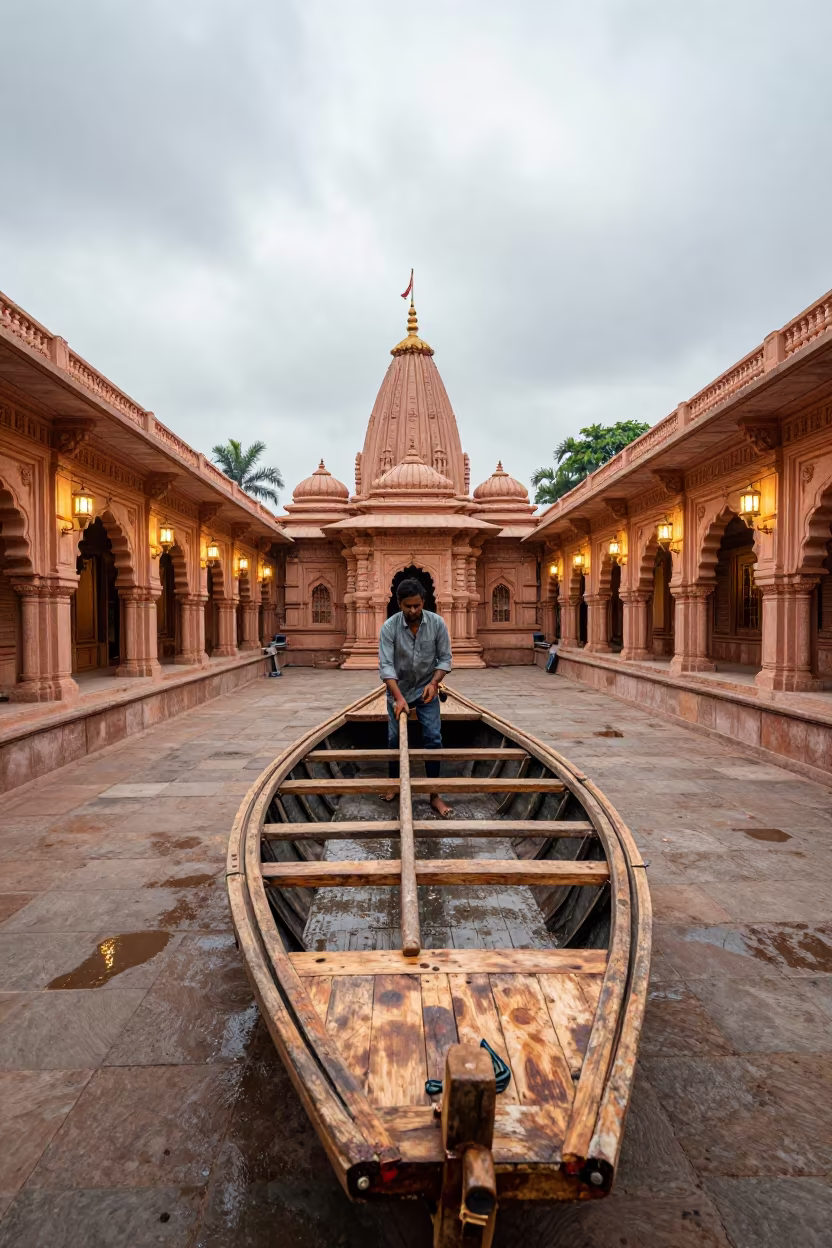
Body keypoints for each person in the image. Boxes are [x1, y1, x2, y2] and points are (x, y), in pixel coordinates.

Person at [378, 576, 453, 819]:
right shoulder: (389, 627)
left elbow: (444, 659)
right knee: (393, 739)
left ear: (423, 602)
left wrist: (434, 683)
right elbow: (386, 666)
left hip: (426, 690)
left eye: (417, 606)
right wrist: (398, 698)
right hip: (398, 689)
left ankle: (434, 794)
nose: (413, 610)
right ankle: (394, 784)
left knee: (433, 737)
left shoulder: (437, 623)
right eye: (408, 606)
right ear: (399, 604)